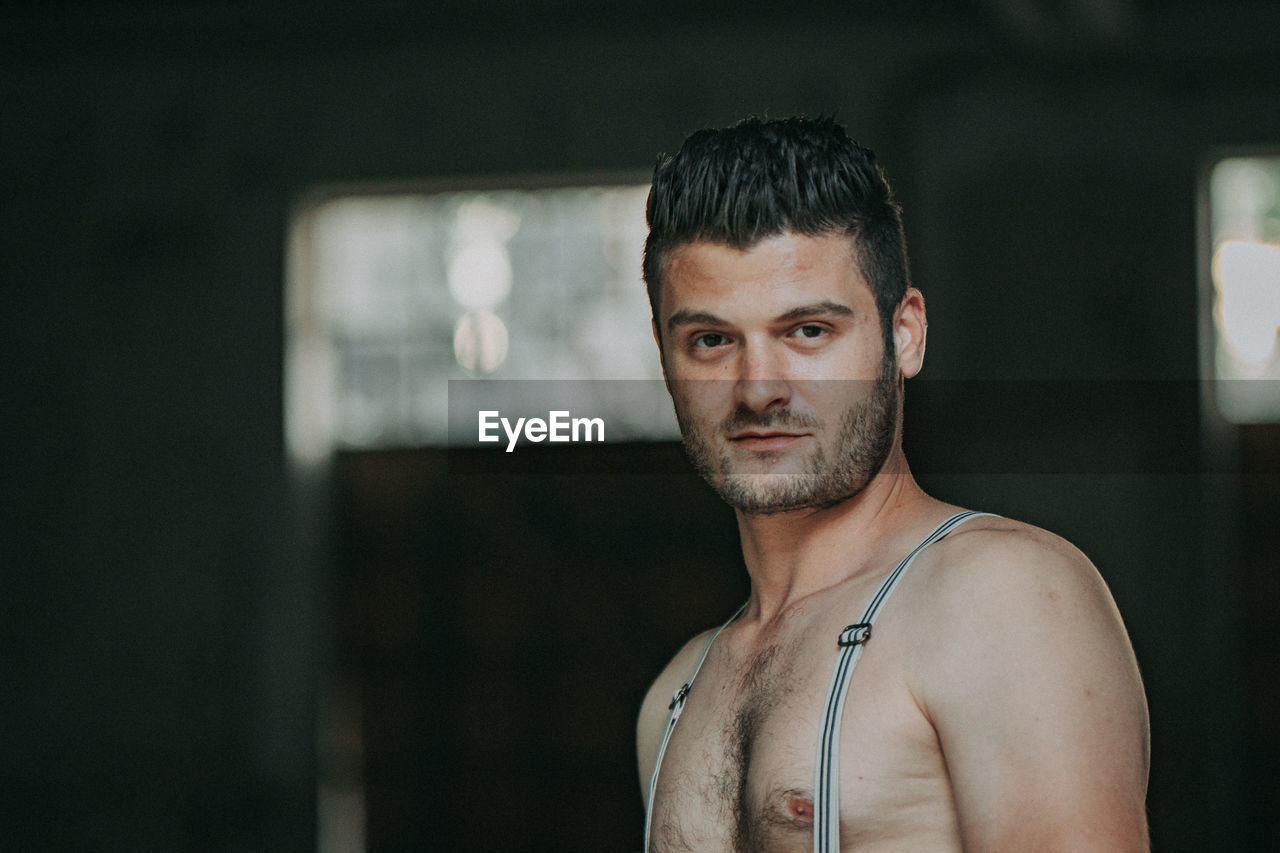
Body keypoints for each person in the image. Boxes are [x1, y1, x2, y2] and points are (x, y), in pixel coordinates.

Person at [635, 116, 1150, 852]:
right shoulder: (675, 697)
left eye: (808, 331)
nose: (757, 389)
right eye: (712, 341)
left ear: (904, 333)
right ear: (663, 352)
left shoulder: (1001, 599)